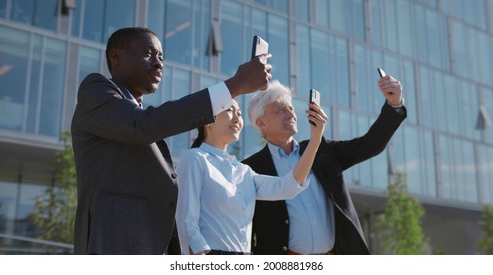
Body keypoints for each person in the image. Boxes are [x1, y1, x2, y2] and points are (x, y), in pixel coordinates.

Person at [71, 27, 272, 255]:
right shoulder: (96, 90)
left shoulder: (139, 116)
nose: (159, 64)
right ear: (115, 57)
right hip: (114, 246)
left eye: (161, 57)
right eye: (148, 53)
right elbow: (142, 126)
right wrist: (235, 85)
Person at [242, 77, 406, 255]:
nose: (290, 114)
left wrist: (394, 104)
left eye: (291, 108)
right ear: (261, 122)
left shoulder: (323, 151)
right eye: (280, 110)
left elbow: (370, 145)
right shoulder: (249, 169)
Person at [175, 98, 327, 255]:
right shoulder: (195, 158)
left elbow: (287, 186)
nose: (237, 119)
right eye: (229, 111)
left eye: (239, 114)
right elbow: (186, 220)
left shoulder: (244, 171)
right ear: (208, 120)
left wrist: (315, 140)